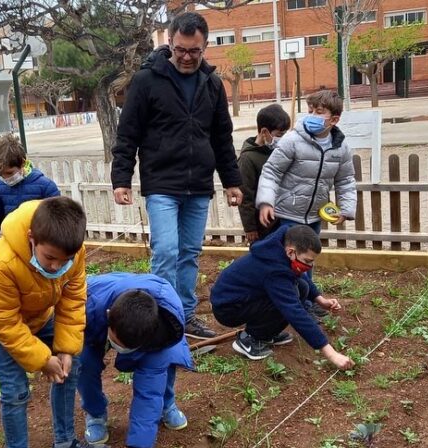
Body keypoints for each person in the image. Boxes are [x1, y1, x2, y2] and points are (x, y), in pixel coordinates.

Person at [0, 196, 110, 448]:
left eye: (63, 260)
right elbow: (6, 323)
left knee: (71, 365)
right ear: (32, 238)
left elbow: (73, 300)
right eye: (49, 258)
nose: (56, 266)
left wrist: (65, 349)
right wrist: (43, 360)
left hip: (39, 313)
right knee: (15, 391)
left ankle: (65, 447)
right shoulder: (2, 262)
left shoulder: (73, 251)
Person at [111, 11, 244, 340]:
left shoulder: (212, 84)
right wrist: (121, 179)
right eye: (180, 49)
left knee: (189, 254)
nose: (186, 57)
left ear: (205, 47)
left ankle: (184, 315)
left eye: (194, 51)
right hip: (161, 183)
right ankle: (161, 316)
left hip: (198, 185)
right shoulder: (146, 80)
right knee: (167, 251)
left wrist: (232, 181)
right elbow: (127, 133)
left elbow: (222, 137)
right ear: (170, 42)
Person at [75, 273, 194, 448]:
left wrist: (136, 446)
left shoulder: (163, 327)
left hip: (152, 311)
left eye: (127, 348)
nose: (120, 349)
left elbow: (149, 390)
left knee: (167, 360)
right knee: (83, 363)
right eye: (116, 342)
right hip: (96, 306)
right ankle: (95, 413)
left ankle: (167, 404)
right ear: (108, 317)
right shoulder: (87, 305)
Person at [210, 224, 355, 368]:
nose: (310, 266)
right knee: (287, 300)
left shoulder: (279, 248)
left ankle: (266, 333)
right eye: (307, 261)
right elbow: (294, 311)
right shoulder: (274, 270)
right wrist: (331, 354)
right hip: (228, 308)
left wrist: (320, 299)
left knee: (302, 287)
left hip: (245, 297)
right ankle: (249, 339)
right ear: (291, 252)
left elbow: (300, 275)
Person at [256, 89, 357, 235]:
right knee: (288, 248)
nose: (312, 116)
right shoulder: (292, 140)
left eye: (319, 112)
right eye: (310, 111)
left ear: (334, 120)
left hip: (315, 216)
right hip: (287, 214)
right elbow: (271, 172)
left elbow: (345, 180)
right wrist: (266, 202)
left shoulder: (341, 148)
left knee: (308, 249)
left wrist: (346, 210)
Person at [0, 133, 60, 247]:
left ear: (22, 163)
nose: (6, 178)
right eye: (1, 175)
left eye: (9, 173)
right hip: (11, 245)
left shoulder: (46, 187)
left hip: (40, 246)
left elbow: (59, 221)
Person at [238, 104, 291, 244]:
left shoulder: (281, 152)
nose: (283, 138)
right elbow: (246, 196)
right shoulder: (247, 159)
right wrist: (250, 227)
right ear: (264, 132)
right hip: (263, 224)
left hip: (283, 219)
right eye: (279, 135)